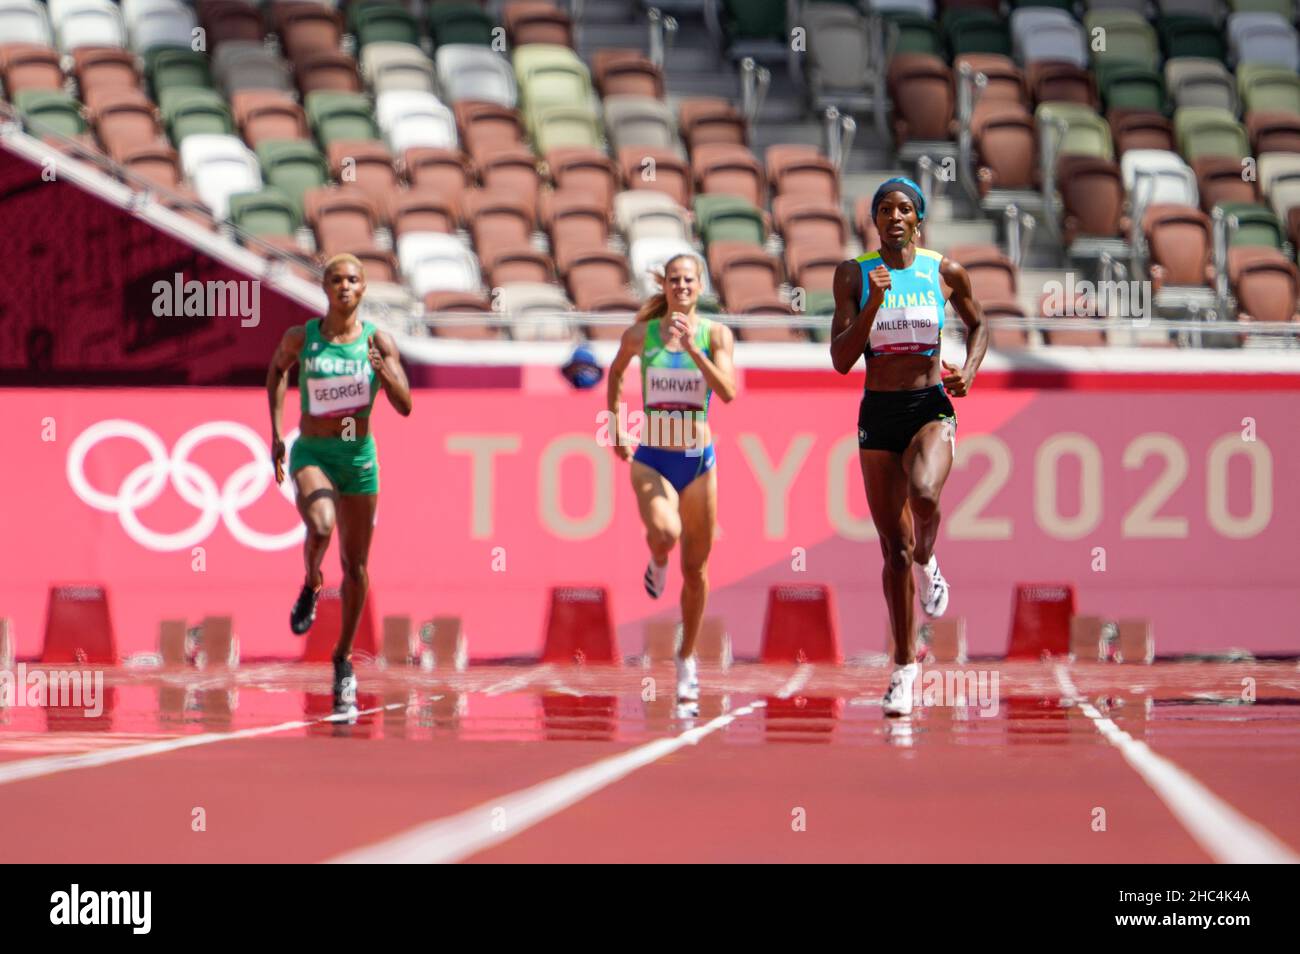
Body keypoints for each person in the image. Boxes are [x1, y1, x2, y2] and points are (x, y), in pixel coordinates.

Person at [829, 178, 988, 717]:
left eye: (903, 209)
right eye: (883, 210)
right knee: (891, 551)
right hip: (878, 412)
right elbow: (841, 359)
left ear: (918, 218)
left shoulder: (944, 272)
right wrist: (872, 302)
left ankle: (931, 557)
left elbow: (980, 322)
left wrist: (968, 368)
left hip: (929, 406)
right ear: (874, 222)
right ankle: (903, 667)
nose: (893, 217)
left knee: (923, 493)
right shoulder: (854, 274)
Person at [266, 253, 413, 717]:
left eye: (352, 280)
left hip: (357, 457)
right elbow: (276, 372)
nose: (344, 287)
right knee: (322, 524)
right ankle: (311, 581)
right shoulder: (302, 338)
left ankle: (342, 659)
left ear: (364, 288)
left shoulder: (378, 340)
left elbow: (406, 405)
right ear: (325, 288)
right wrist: (275, 433)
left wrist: (384, 370)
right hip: (313, 449)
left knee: (357, 566)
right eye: (336, 280)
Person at [606, 254, 736, 704]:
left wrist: (695, 351)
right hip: (653, 457)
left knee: (697, 571)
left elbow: (728, 392)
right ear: (665, 287)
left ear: (700, 286)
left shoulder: (715, 334)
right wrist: (617, 424)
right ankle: (657, 558)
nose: (681, 287)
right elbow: (616, 370)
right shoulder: (643, 335)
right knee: (666, 530)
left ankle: (686, 658)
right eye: (674, 280)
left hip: (699, 462)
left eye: (689, 281)